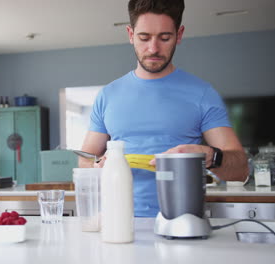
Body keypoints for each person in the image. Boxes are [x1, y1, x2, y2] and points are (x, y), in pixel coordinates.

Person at [79, 0, 248, 217]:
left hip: (182, 221)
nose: (153, 49)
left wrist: (209, 156)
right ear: (130, 35)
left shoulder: (203, 94)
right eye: (144, 37)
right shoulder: (107, 95)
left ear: (179, 35)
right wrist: (96, 168)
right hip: (117, 220)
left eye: (165, 38)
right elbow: (85, 160)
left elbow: (240, 169)